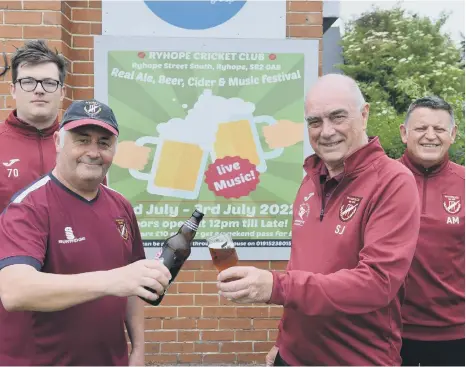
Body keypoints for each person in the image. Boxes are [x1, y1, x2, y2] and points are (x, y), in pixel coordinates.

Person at [216, 74, 421, 366]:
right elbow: (300, 267)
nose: (326, 132)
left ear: (364, 115)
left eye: (337, 117)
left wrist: (275, 287)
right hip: (292, 357)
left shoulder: (393, 182)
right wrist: (281, 341)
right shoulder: (311, 181)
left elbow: (377, 283)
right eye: (315, 121)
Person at [0, 99, 171, 366]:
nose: (93, 152)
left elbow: (133, 282)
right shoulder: (30, 206)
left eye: (103, 143)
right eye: (82, 140)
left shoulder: (120, 205)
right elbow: (14, 291)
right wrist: (112, 280)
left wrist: (138, 350)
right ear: (58, 141)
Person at [0, 39, 66, 366]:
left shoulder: (83, 151)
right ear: (13, 89)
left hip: (74, 305)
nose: (39, 90)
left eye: (49, 82)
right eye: (28, 81)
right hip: (10, 314)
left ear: (61, 91)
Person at [398, 96, 465, 366]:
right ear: (404, 133)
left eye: (439, 129)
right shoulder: (379, 181)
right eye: (420, 128)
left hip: (456, 334)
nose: (430, 136)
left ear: (453, 135)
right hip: (388, 330)